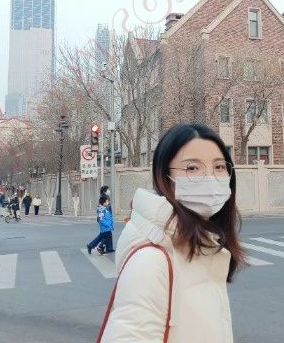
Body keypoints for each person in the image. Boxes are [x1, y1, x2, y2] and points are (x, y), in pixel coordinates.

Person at [97, 123, 245, 343]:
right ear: (164, 176)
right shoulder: (151, 260)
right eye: (192, 168)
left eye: (219, 166)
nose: (211, 177)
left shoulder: (203, 245)